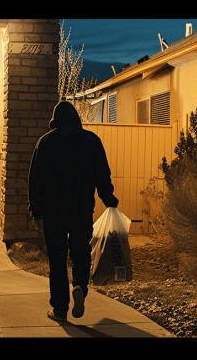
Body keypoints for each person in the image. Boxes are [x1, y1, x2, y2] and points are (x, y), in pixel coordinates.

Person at [28, 101, 118, 322]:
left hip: (53, 213)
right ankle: (79, 286)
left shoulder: (46, 142)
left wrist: (36, 211)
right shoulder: (92, 141)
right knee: (80, 253)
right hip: (81, 210)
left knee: (57, 259)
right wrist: (109, 200)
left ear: (55, 120)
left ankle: (59, 309)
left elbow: (35, 179)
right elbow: (102, 175)